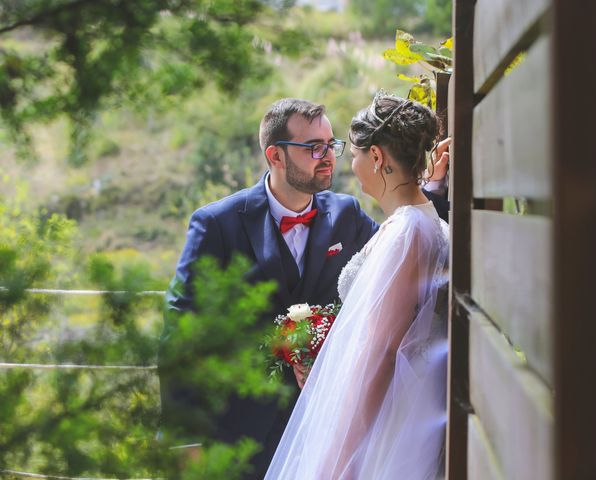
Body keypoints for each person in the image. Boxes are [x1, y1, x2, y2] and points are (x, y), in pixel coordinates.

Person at [158, 97, 449, 478]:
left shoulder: (347, 214)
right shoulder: (217, 224)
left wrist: (433, 190)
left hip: (328, 429)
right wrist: (184, 437)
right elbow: (182, 332)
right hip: (236, 437)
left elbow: (405, 268)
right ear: (275, 156)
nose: (328, 156)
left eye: (331, 145)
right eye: (314, 147)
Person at [265, 93, 449, 480]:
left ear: (378, 158)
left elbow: (380, 352)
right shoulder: (416, 222)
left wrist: (342, 456)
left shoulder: (407, 233)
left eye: (356, 154)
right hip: (404, 406)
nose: (351, 163)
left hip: (391, 421)